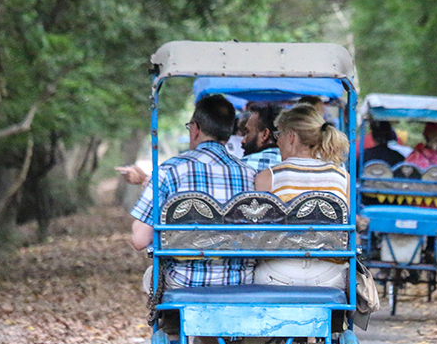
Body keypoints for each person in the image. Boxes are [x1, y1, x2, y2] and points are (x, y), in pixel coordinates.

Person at [129, 94, 256, 286]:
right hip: (238, 280)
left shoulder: (170, 170)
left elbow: (139, 240)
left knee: (150, 276)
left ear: (195, 130)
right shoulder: (250, 173)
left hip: (185, 280)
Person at [253, 103, 350, 289]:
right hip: (330, 275)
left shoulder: (268, 177)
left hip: (278, 273)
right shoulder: (343, 177)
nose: (277, 141)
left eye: (278, 134)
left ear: (291, 136)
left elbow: (259, 233)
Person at [240, 103, 282, 172]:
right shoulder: (298, 166)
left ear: (265, 134)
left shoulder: (243, 167)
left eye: (248, 132)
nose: (243, 141)